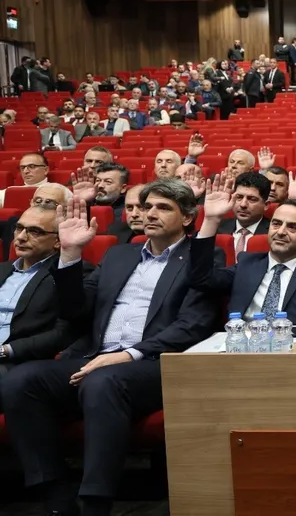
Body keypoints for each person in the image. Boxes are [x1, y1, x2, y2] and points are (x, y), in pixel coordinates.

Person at [2, 183, 221, 516]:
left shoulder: (201, 258)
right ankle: (55, 493)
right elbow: (75, 311)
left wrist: (126, 355)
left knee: (103, 382)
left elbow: (192, 326)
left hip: (154, 362)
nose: (150, 214)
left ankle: (95, 501)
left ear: (188, 217)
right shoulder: (119, 254)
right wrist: (70, 255)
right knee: (21, 380)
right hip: (96, 357)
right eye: (146, 207)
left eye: (163, 208)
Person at [192, 182, 296, 326]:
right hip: (242, 338)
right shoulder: (247, 263)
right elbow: (201, 279)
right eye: (276, 224)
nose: (281, 232)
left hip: (295, 340)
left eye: (292, 227)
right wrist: (211, 220)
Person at [0, 206, 82, 407]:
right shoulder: (2, 270)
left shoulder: (67, 276)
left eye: (35, 231)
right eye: (19, 228)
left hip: (18, 361)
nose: (21, 237)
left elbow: (64, 333)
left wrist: (5, 350)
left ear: (57, 241)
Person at [216, 172, 272, 255]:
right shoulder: (217, 227)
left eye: (252, 199)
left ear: (266, 205)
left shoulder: (273, 233)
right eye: (239, 197)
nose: (243, 204)